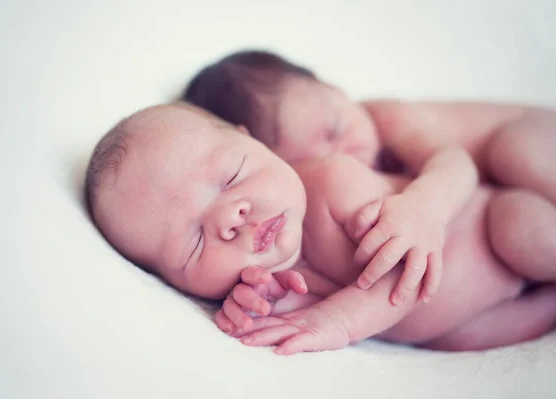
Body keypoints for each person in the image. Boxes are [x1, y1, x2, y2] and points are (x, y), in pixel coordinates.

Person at [84, 103, 556, 355]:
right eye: (194, 241)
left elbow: (399, 275)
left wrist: (422, 207)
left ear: (259, 144)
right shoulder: (260, 281)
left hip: (495, 225)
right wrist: (264, 309)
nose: (233, 217)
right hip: (466, 313)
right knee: (458, 342)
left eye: (231, 177)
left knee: (527, 235)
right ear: (174, 284)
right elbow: (308, 305)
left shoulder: (333, 181)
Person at [182, 50, 556, 305]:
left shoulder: (385, 116)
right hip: (506, 215)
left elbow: (455, 163)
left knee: (514, 152)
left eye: (335, 128)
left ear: (334, 89)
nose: (349, 155)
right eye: (318, 160)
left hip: (535, 138)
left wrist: (425, 206)